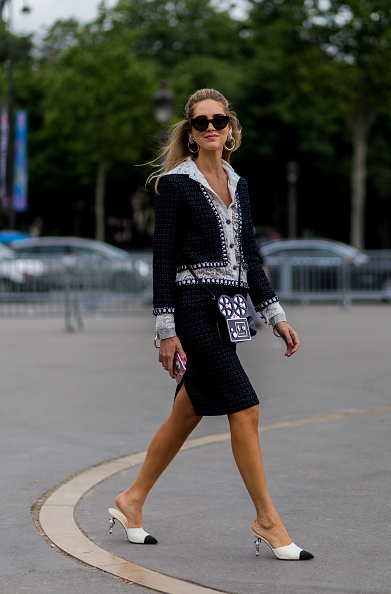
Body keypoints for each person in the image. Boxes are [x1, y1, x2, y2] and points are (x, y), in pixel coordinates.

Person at [109, 89, 313, 561]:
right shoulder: (175, 184)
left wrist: (276, 316)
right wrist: (166, 331)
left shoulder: (239, 184)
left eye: (218, 120)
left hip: (230, 310)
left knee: (188, 412)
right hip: (194, 309)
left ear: (230, 127)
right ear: (190, 131)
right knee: (246, 407)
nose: (210, 128)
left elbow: (250, 256)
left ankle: (132, 499)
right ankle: (267, 519)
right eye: (200, 122)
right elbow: (162, 259)